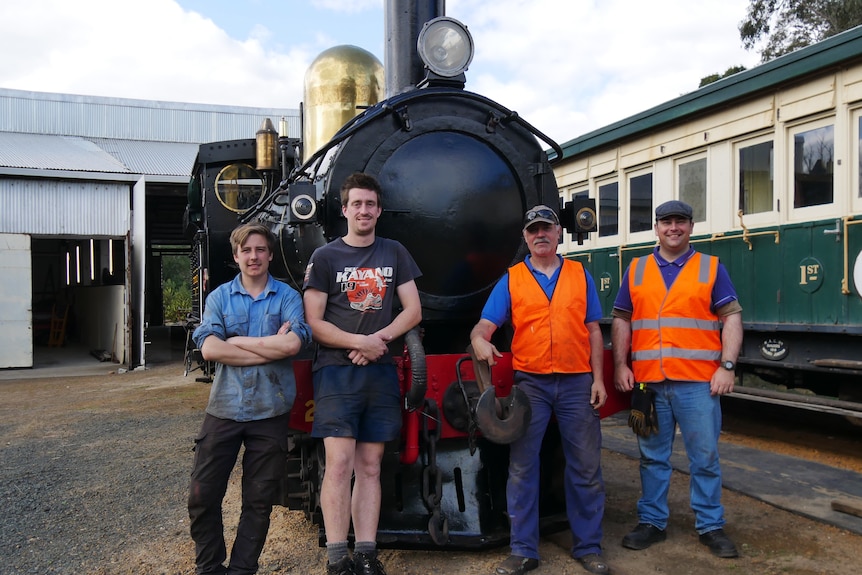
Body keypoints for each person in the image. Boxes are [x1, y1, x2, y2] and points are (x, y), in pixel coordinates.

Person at [470, 205, 611, 575]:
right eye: (533, 230)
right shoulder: (512, 279)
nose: (540, 235)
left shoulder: (580, 275)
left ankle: (589, 547)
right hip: (530, 385)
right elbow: (483, 327)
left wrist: (598, 379)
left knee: (585, 467)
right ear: (525, 237)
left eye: (546, 227)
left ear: (559, 232)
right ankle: (523, 550)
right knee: (522, 468)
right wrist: (481, 342)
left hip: (578, 382)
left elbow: (594, 330)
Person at [302, 172, 422, 575]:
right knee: (338, 464)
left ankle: (367, 554)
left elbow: (413, 310)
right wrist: (357, 343)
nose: (364, 210)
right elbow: (314, 322)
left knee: (371, 465)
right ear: (345, 208)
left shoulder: (394, 252)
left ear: (379, 210)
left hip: (380, 369)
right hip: (336, 372)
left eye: (370, 204)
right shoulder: (325, 258)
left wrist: (378, 341)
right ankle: (338, 558)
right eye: (357, 204)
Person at [611, 199, 743, 559]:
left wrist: (726, 366)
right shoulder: (636, 269)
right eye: (666, 222)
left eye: (680, 222)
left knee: (705, 457)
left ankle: (710, 526)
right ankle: (652, 522)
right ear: (656, 228)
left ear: (690, 226)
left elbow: (731, 317)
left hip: (698, 383)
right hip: (649, 383)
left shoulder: (711, 268)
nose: (673, 228)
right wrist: (620, 365)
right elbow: (622, 320)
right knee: (652, 457)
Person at [188, 223, 312, 575]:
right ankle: (209, 568)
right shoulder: (219, 298)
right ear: (236, 256)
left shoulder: (288, 296)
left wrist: (238, 342)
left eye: (260, 249)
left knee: (258, 501)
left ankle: (243, 570)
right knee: (202, 495)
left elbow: (292, 344)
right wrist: (268, 348)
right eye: (247, 250)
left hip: (270, 409)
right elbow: (210, 349)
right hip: (225, 407)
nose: (253, 256)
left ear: (270, 254)